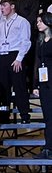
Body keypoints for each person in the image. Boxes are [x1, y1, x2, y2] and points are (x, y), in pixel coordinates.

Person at [35, 13, 52, 155]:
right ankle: (48, 146)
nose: (38, 24)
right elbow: (37, 62)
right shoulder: (40, 40)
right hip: (44, 81)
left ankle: (49, 146)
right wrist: (35, 84)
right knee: (47, 115)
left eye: (40, 21)